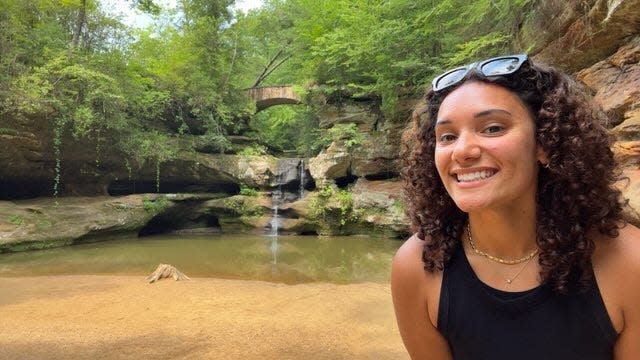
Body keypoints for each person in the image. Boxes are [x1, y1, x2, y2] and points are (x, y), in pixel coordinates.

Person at [392, 54, 640, 359]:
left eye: (493, 128)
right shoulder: (416, 268)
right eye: (447, 136)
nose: (463, 151)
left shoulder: (629, 263)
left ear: (545, 143)